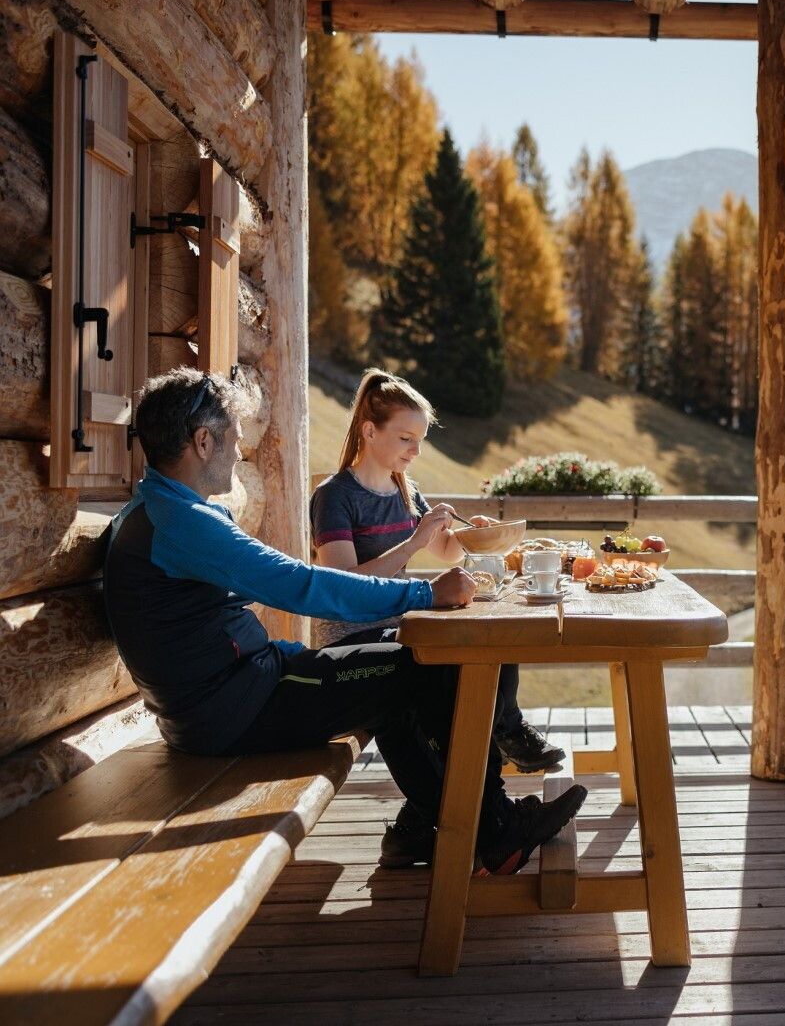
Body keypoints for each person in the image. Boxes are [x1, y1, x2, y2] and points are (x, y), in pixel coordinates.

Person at [102, 367, 585, 873]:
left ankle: (436, 825)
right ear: (203, 441)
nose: (239, 447)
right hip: (235, 710)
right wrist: (423, 591)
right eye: (234, 437)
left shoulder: (160, 510)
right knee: (432, 669)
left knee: (401, 682)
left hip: (232, 698)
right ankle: (495, 829)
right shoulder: (181, 522)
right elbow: (302, 585)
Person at [309, 369, 563, 775]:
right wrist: (412, 543)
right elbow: (344, 587)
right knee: (450, 668)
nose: (415, 451)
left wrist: (471, 536)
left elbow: (445, 549)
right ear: (369, 431)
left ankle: (506, 732)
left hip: (402, 621)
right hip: (355, 636)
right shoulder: (334, 497)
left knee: (493, 625)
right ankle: (486, 761)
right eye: (405, 439)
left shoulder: (404, 488)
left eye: (420, 441)